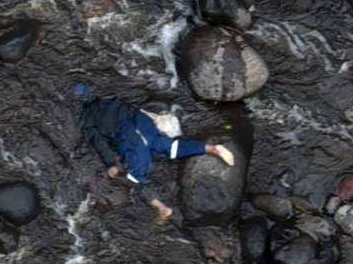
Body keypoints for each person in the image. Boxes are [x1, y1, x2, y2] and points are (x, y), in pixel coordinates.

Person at [76, 87, 235, 225]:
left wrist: (110, 163)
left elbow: (99, 144)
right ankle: (212, 148)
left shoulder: (87, 121)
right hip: (140, 120)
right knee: (168, 146)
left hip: (129, 137)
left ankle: (161, 208)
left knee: (135, 177)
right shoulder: (108, 99)